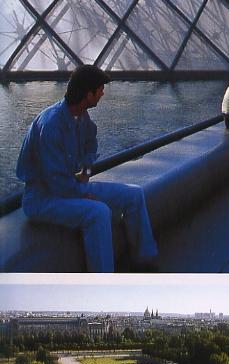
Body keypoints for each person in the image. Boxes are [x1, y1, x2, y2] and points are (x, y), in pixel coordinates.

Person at [16, 64, 158, 273]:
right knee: (98, 211)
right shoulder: (51, 126)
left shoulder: (81, 117)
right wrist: (85, 195)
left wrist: (87, 173)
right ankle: (102, 284)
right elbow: (56, 184)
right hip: (42, 199)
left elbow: (91, 146)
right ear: (88, 94)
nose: (103, 93)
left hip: (69, 186)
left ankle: (144, 260)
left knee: (134, 194)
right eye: (100, 89)